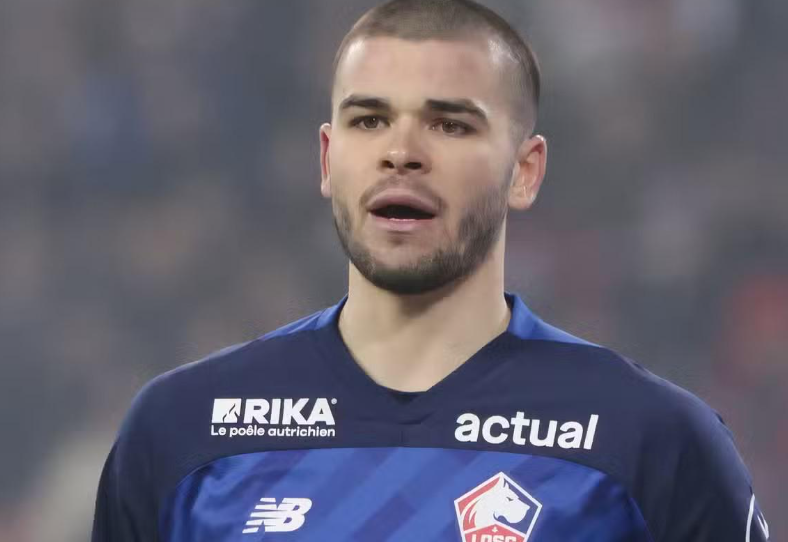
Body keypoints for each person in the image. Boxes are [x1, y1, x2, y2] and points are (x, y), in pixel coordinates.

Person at [92, 0, 770, 540]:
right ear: (327, 160)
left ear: (525, 171)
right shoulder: (183, 429)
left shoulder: (649, 440)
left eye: (450, 125)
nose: (401, 152)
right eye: (369, 121)